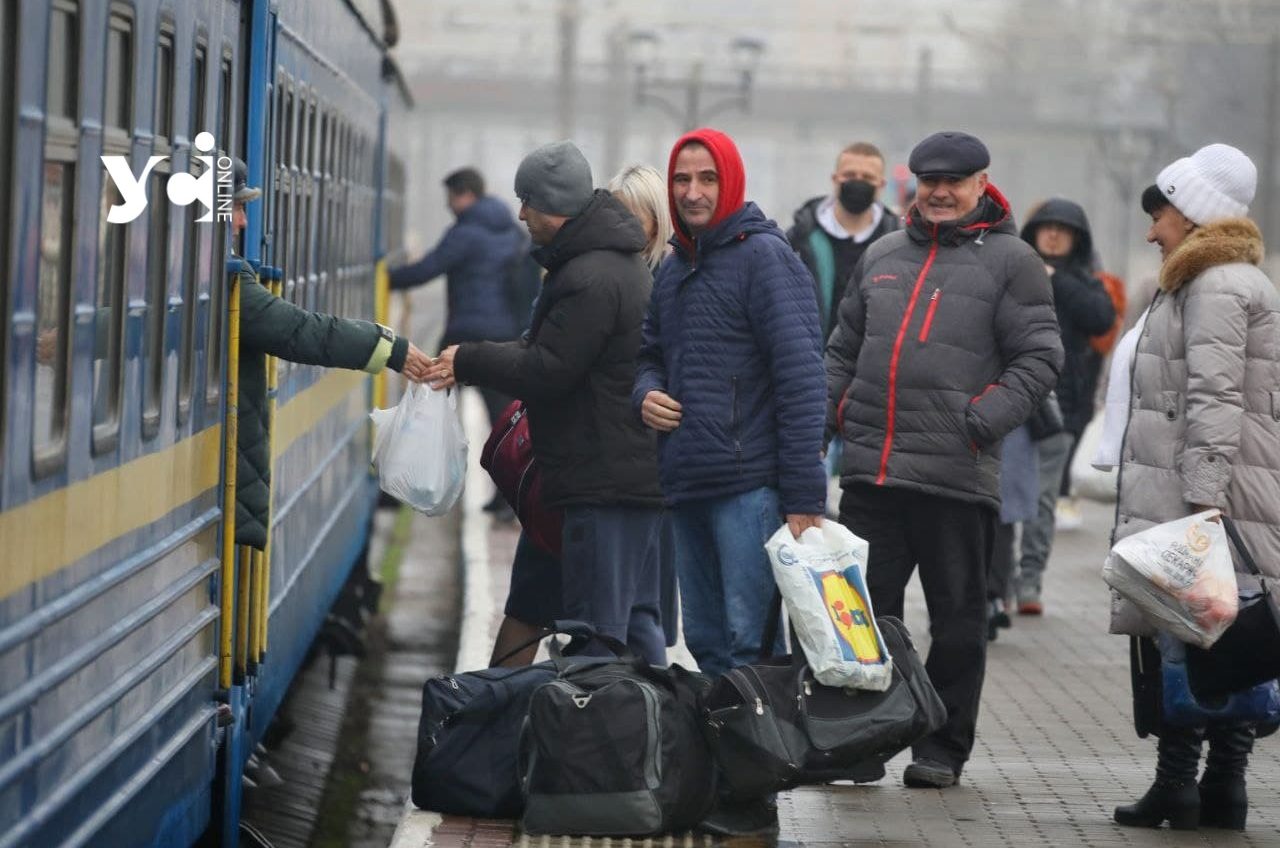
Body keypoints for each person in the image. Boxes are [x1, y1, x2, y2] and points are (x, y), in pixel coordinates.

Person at [825, 131, 1062, 789]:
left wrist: (980, 421)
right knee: (861, 621)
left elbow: (1041, 357)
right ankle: (860, 742)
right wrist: (827, 414)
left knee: (958, 623)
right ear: (914, 186)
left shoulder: (1012, 261)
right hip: (873, 471)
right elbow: (842, 350)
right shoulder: (882, 255)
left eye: (954, 181)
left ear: (981, 184)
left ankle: (942, 748)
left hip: (956, 475)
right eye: (930, 181)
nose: (940, 192)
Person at [425, 141, 667, 666]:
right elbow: (547, 351)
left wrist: (469, 359)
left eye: (527, 201)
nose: (520, 214)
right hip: (573, 479)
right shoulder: (588, 266)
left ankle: (636, 737)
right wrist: (467, 360)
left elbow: (547, 369)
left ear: (553, 205)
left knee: (605, 632)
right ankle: (495, 725)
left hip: (602, 484)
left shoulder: (593, 277)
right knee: (532, 606)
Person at [1110, 143, 1278, 832]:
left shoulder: (1215, 286)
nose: (1153, 230)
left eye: (1164, 215)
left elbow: (1214, 396)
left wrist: (1202, 500)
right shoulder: (1218, 281)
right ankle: (1218, 789)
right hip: (1215, 485)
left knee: (1191, 629)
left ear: (1195, 214)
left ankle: (1187, 785)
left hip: (1209, 491)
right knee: (1209, 631)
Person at [229, 159, 431, 550]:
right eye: (235, 208)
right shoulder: (227, 285)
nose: (241, 223)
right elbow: (301, 331)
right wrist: (391, 348)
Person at [388, 167, 527, 514]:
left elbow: (428, 269)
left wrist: (387, 277)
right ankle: (509, 497)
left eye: (451, 197)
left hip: (464, 338)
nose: (449, 204)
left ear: (465, 194)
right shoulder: (510, 230)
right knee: (504, 420)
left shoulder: (466, 233)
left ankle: (401, 486)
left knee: (425, 404)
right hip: (504, 337)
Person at [1014, 199, 1116, 615]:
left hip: (1061, 408)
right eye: (1046, 227)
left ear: (1077, 237)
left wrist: (1057, 280)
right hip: (1013, 402)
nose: (1053, 235)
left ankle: (1029, 582)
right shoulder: (1014, 271)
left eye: (1063, 229)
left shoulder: (1086, 282)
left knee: (1042, 502)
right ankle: (996, 585)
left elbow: (1101, 318)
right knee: (1002, 501)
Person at [787, 141, 901, 341]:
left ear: (881, 185)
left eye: (867, 177)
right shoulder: (799, 238)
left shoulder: (897, 243)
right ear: (835, 179)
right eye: (849, 175)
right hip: (813, 358)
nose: (858, 182)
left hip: (869, 364)